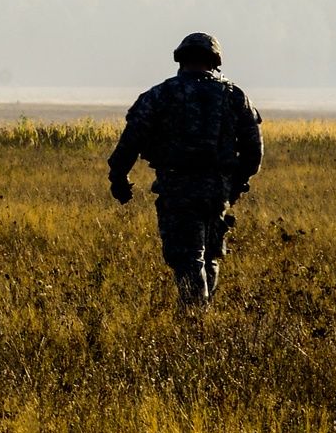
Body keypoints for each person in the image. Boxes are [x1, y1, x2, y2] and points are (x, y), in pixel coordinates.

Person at [107, 32, 263, 309]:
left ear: (181, 59)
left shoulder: (160, 94)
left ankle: (194, 321)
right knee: (210, 255)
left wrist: (119, 176)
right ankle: (203, 315)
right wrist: (235, 185)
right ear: (214, 61)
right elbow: (254, 151)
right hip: (217, 191)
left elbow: (132, 139)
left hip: (178, 188)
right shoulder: (235, 96)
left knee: (189, 259)